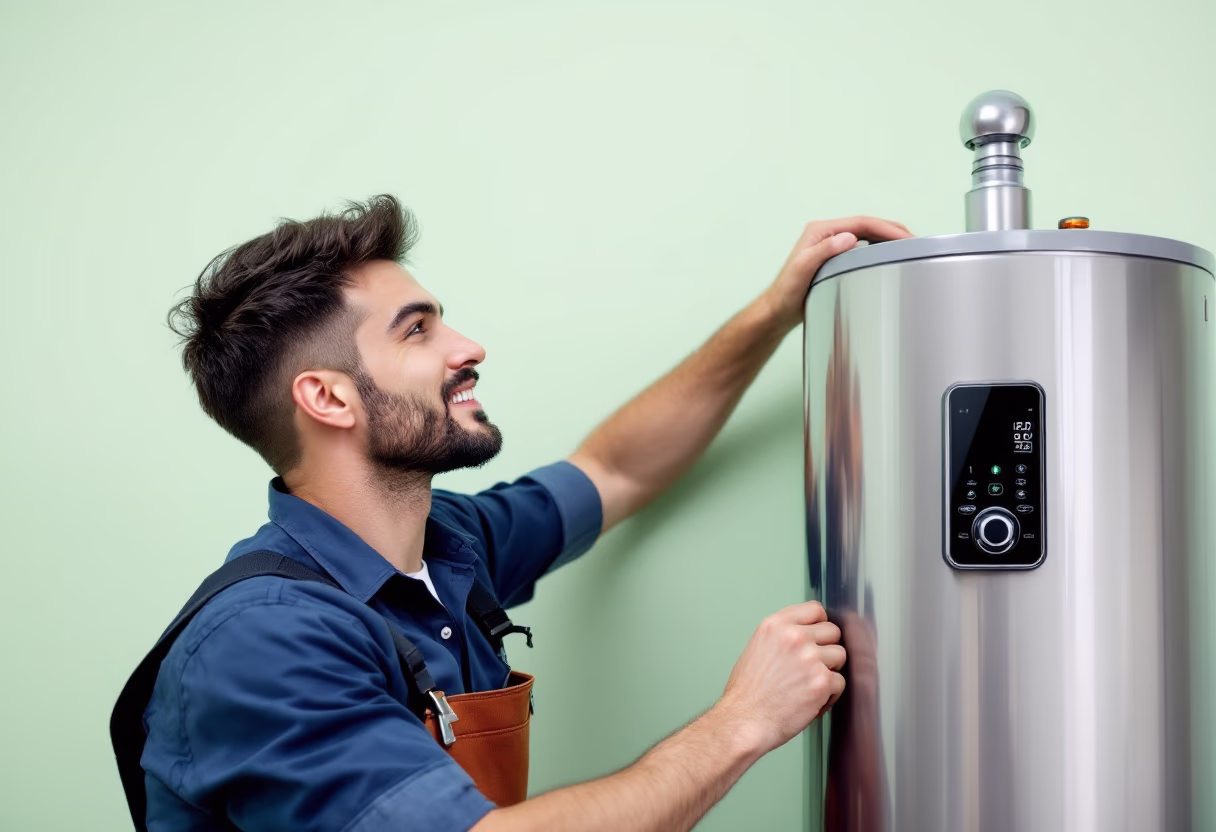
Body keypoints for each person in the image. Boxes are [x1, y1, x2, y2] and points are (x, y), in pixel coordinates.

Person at [114, 196, 911, 832]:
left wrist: (774, 310)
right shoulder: (263, 643)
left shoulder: (451, 546)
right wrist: (743, 720)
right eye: (418, 330)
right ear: (328, 397)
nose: (468, 346)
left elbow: (616, 467)